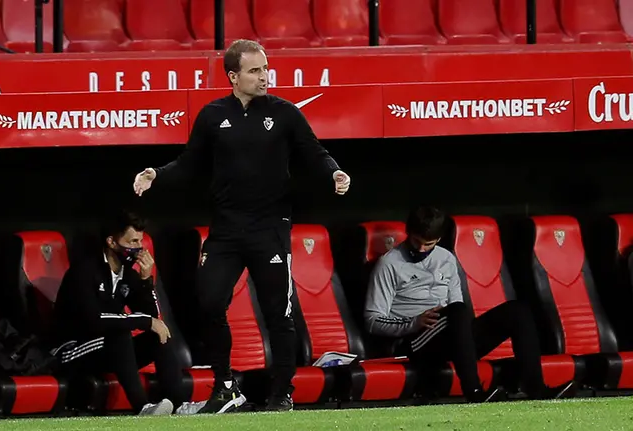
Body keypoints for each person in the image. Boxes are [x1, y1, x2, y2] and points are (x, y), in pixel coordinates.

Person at [132, 39, 351, 414]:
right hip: (227, 231)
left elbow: (314, 152)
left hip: (270, 229)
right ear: (233, 76)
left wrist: (335, 172)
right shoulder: (213, 115)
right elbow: (189, 163)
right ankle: (225, 386)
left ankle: (282, 393)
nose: (263, 77)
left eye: (265, 69)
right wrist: (157, 174)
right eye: (254, 71)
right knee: (210, 301)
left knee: (277, 313)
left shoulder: (284, 113)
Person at [363, 206, 575, 403]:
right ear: (408, 233)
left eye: (429, 243)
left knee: (517, 311)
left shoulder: (446, 258)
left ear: (438, 239)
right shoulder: (389, 264)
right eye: (417, 241)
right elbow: (372, 321)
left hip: (453, 334)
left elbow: (456, 303)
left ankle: (536, 389)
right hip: (416, 340)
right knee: (457, 311)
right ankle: (474, 391)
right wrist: (414, 323)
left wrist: (463, 331)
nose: (421, 249)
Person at [48, 211, 180, 416]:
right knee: (119, 333)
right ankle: (143, 408)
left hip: (105, 350)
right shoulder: (84, 271)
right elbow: (95, 320)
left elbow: (152, 315)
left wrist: (146, 282)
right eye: (133, 241)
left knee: (159, 335)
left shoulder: (128, 274)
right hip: (71, 352)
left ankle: (178, 406)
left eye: (141, 241)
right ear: (111, 241)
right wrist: (145, 321)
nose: (138, 248)